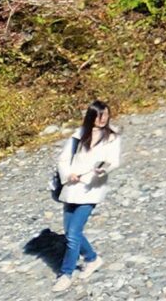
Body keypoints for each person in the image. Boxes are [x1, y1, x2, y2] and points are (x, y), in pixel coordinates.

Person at [49, 100, 120, 289]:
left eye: (105, 115)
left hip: (91, 189)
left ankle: (66, 274)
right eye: (99, 115)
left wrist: (102, 170)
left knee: (72, 234)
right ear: (91, 116)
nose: (103, 119)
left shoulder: (112, 137)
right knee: (72, 231)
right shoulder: (78, 135)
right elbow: (63, 159)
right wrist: (68, 174)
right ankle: (92, 258)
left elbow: (113, 161)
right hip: (71, 188)